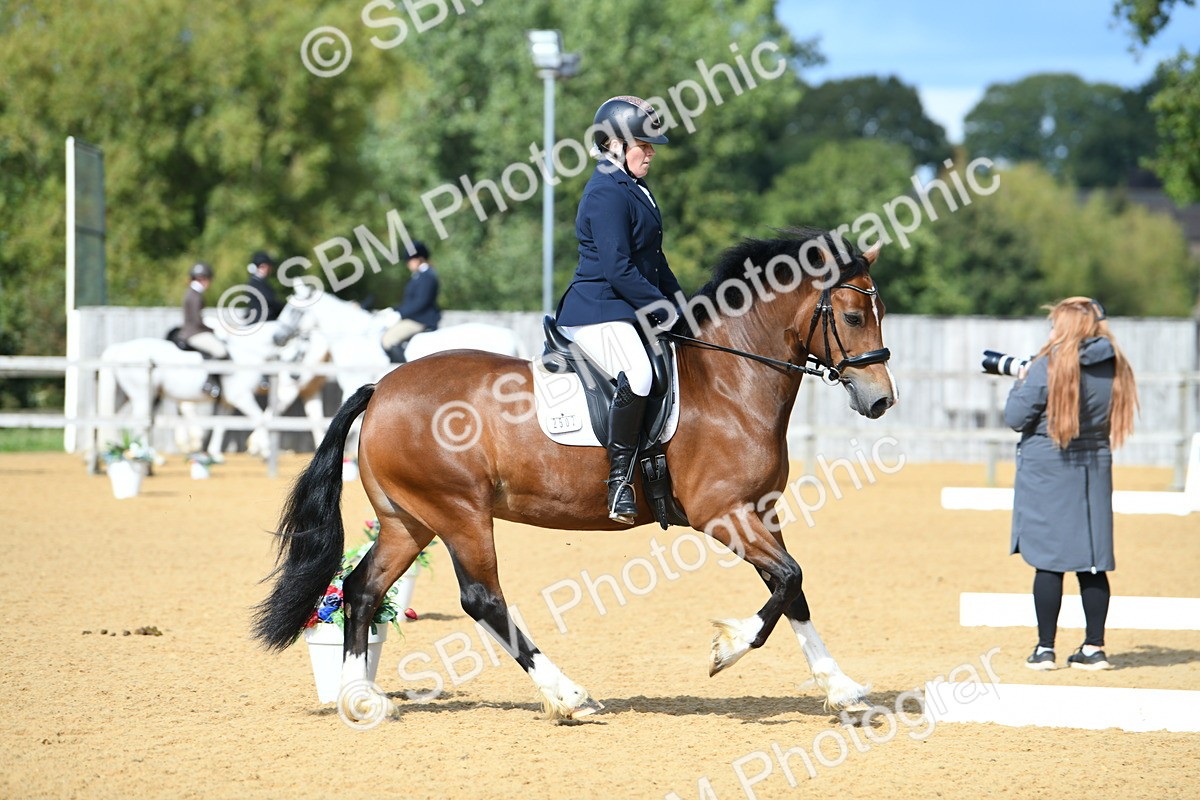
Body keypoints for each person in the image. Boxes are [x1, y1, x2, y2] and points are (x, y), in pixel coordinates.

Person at [554, 96, 685, 524]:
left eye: (650, 146)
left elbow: (655, 260)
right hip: (597, 309)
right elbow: (618, 268)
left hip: (625, 307)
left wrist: (684, 306)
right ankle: (619, 482)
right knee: (640, 373)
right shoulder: (605, 192)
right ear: (614, 144)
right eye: (643, 145)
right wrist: (660, 307)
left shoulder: (635, 188)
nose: (650, 153)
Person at [1005, 297, 1138, 671]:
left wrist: (1020, 382)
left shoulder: (1049, 363)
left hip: (1048, 468)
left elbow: (1016, 417)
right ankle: (1094, 647)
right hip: (1095, 466)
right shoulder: (1115, 364)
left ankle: (1044, 648)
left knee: (1048, 563)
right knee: (1092, 561)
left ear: (1065, 326)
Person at [381, 241, 441, 362]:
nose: (408, 263)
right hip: (415, 318)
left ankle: (404, 368)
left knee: (388, 340)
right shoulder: (419, 275)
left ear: (420, 258)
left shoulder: (427, 276)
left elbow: (421, 302)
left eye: (411, 260)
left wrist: (400, 314)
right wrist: (395, 309)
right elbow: (410, 301)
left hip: (421, 320)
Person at [180, 262, 226, 397]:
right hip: (194, 333)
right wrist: (213, 330)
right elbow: (197, 321)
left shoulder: (192, 292)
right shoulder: (195, 295)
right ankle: (209, 383)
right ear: (202, 279)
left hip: (193, 331)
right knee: (221, 351)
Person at [244, 250, 284, 325]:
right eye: (264, 266)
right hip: (261, 322)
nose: (269, 269)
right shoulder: (254, 283)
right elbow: (270, 300)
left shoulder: (261, 282)